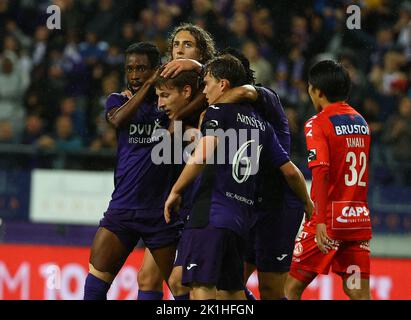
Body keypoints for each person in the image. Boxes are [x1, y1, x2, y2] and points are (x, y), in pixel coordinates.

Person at [164, 54, 313, 300]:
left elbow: (202, 156)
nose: (204, 90)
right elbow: (290, 170)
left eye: (207, 82)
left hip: (215, 213)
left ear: (223, 84)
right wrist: (308, 203)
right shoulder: (262, 126)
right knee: (231, 292)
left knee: (201, 287)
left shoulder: (222, 111)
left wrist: (176, 190)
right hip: (240, 217)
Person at [83, 42, 182, 300]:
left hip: (161, 212)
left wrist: (159, 87)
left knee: (183, 291)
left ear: (156, 68)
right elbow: (116, 120)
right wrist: (149, 84)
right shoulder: (118, 100)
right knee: (93, 289)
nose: (135, 74)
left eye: (142, 68)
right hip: (123, 207)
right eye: (130, 69)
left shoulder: (170, 104)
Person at [216, 48, 305, 300]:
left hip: (277, 206)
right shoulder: (226, 113)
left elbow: (246, 90)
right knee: (229, 284)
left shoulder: (266, 99)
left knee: (270, 290)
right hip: (247, 205)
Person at [136, 23, 216, 300]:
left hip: (200, 197)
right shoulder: (162, 91)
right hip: (170, 193)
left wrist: (196, 67)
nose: (180, 49)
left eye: (188, 45)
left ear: (202, 54)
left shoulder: (213, 93)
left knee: (183, 282)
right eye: (176, 45)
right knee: (148, 278)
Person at [284, 60, 372, 300]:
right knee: (358, 291)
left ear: (318, 92)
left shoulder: (317, 123)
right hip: (356, 222)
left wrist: (320, 220)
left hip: (328, 223)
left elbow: (321, 171)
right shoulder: (362, 123)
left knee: (288, 288)